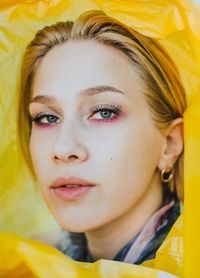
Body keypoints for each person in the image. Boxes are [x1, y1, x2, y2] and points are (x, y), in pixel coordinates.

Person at [18, 10, 186, 264]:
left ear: (169, 144)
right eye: (47, 118)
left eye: (103, 112)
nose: (63, 148)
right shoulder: (27, 266)